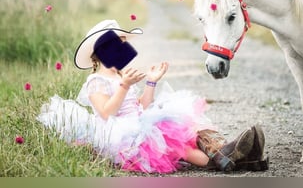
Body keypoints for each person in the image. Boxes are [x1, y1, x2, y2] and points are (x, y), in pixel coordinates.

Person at [37, 19, 268, 174]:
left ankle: (228, 153)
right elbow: (106, 113)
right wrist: (124, 86)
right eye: (121, 43)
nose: (126, 48)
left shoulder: (121, 75)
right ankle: (225, 159)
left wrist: (151, 82)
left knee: (187, 127)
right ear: (104, 50)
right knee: (178, 146)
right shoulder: (96, 81)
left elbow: (142, 107)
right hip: (122, 137)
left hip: (139, 122)